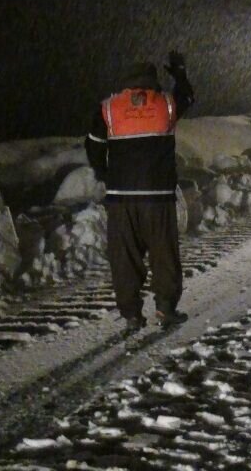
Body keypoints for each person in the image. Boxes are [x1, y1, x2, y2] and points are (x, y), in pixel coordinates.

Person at [85, 51, 195, 335]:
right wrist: (179, 73)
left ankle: (132, 314)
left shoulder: (108, 108)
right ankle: (165, 308)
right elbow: (188, 97)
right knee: (163, 254)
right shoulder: (166, 105)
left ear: (126, 82)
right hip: (157, 197)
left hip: (121, 198)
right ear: (152, 80)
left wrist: (104, 173)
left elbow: (93, 144)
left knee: (125, 257)